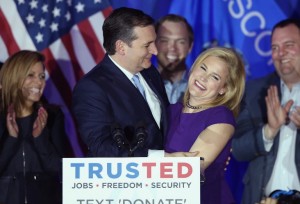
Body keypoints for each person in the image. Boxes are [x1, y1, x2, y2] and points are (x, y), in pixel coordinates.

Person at [72, 7, 169, 157]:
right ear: (121, 47)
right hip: (125, 178)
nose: (155, 51)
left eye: (154, 42)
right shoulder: (92, 87)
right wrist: (159, 158)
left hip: (166, 177)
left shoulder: (151, 73)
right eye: (147, 45)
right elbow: (101, 146)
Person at [164, 47, 246, 204]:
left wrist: (153, 157)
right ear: (193, 68)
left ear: (224, 89)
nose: (203, 78)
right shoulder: (171, 110)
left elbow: (188, 170)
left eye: (214, 77)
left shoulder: (221, 117)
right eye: (203, 68)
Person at [231, 18, 300, 204]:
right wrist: (268, 131)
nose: (280, 53)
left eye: (289, 45)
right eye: (275, 47)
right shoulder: (255, 91)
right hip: (262, 199)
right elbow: (237, 150)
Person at [0, 50, 67, 204]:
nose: (39, 82)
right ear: (14, 77)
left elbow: (61, 170)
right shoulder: (2, 117)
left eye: (42, 76)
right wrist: (11, 139)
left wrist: (40, 138)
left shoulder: (52, 116)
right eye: (31, 75)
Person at [155, 14, 194, 104]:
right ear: (154, 44)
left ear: (190, 46)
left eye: (180, 42)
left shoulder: (202, 86)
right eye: (164, 41)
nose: (172, 48)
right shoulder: (141, 84)